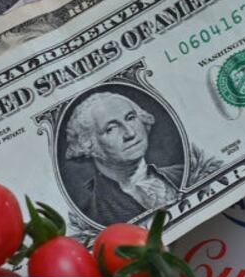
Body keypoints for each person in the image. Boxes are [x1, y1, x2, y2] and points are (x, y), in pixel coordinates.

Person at [63, 92, 183, 225]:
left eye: (130, 118)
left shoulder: (181, 173)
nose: (130, 133)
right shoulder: (94, 214)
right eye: (111, 129)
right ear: (89, 144)